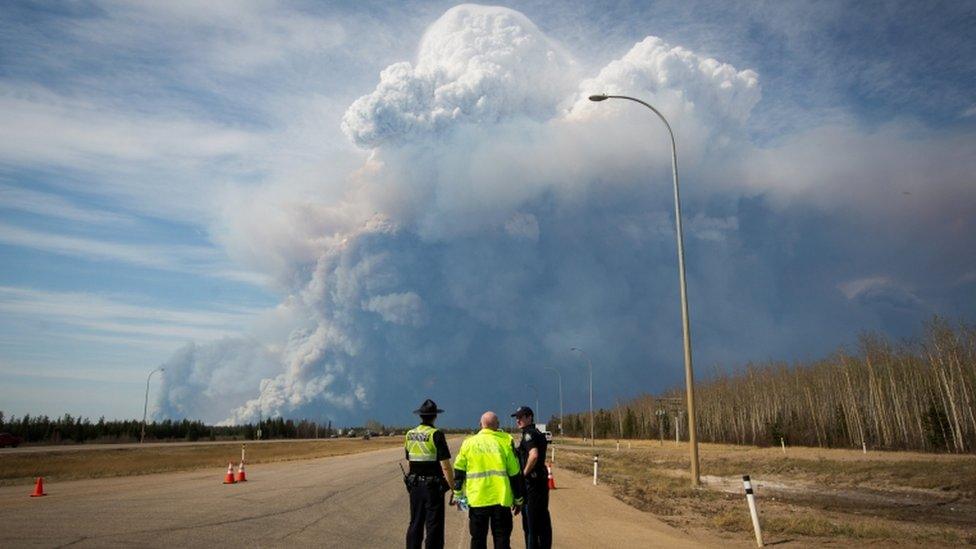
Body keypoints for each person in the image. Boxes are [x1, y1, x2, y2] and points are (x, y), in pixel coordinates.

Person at [453, 411, 524, 549]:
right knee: (502, 539)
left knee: (477, 539)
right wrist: (518, 500)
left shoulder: (468, 443)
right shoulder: (504, 442)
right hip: (501, 501)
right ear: (497, 425)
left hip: (477, 501)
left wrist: (458, 496)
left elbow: (459, 471)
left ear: (480, 425)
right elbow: (514, 474)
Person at [405, 399, 454, 549]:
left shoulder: (410, 434)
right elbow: (445, 467)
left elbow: (409, 461)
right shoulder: (436, 434)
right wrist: (454, 488)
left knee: (415, 522)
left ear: (421, 416)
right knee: (434, 526)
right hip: (432, 487)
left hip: (414, 485)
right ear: (435, 416)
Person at [512, 406, 552, 549]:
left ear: (530, 417)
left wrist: (524, 474)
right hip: (540, 482)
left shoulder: (528, 434)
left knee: (531, 526)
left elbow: (533, 455)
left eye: (521, 417)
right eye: (516, 417)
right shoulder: (537, 433)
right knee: (542, 522)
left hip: (532, 485)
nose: (518, 420)